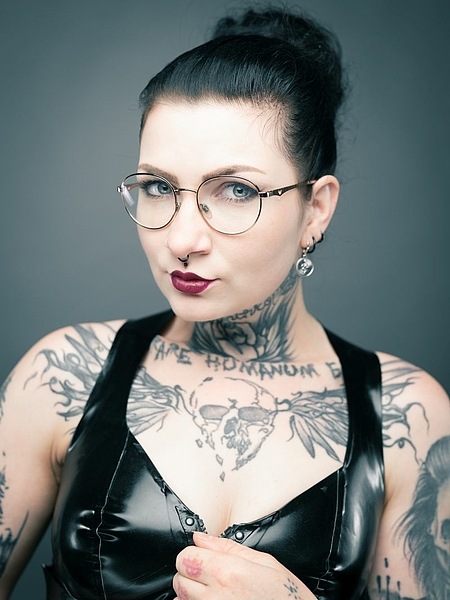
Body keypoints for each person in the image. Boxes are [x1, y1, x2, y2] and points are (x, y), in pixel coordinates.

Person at [0, 6, 449, 600]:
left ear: (316, 209)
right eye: (158, 187)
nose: (182, 239)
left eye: (236, 190)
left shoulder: (405, 415)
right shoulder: (64, 375)